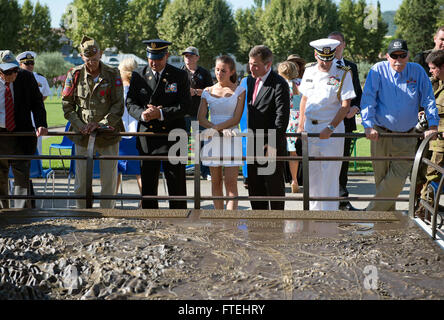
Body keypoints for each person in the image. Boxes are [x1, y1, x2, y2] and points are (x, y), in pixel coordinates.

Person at [361, 39, 439, 211]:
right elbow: (368, 99)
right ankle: (385, 223)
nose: (398, 60)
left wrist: (433, 125)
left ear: (408, 55)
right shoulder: (377, 70)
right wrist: (368, 125)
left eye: (402, 55)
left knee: (396, 179)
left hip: (407, 135)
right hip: (380, 134)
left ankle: (370, 214)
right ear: (387, 56)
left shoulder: (417, 71)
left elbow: (428, 98)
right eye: (394, 56)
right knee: (382, 180)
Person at [126, 39, 191, 209]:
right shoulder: (138, 75)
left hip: (174, 136)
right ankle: (150, 224)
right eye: (151, 58)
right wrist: (142, 114)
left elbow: (185, 106)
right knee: (148, 187)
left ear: (167, 56)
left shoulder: (179, 75)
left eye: (159, 58)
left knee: (177, 186)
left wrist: (161, 113)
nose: (154, 63)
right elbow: (130, 102)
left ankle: (178, 222)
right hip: (148, 136)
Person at [62, 35, 124, 209]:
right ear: (82, 57)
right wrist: (81, 125)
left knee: (109, 182)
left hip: (108, 134)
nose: (92, 63)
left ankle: (108, 216)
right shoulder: (74, 75)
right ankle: (82, 214)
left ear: (101, 54)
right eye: (88, 60)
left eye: (95, 59)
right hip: (82, 135)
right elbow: (67, 106)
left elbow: (118, 105)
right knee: (81, 181)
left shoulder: (112, 74)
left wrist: (102, 124)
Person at [297, 38, 356, 211]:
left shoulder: (343, 73)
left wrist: (330, 128)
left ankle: (329, 214)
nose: (326, 62)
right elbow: (304, 99)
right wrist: (301, 126)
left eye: (329, 58)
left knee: (330, 174)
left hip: (332, 129)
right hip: (310, 128)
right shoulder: (309, 71)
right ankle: (313, 213)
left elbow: (346, 105)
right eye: (323, 58)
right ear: (316, 55)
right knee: (312, 174)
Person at [0, 50, 48, 209]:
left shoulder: (26, 77)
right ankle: (3, 215)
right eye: (8, 72)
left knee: (22, 180)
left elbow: (37, 103)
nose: (13, 74)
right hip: (0, 135)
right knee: (0, 179)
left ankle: (22, 217)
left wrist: (41, 124)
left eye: (15, 69)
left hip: (21, 135)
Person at [197, 55, 246, 210]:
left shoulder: (240, 90)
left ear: (231, 72)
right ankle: (218, 217)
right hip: (213, 138)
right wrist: (214, 129)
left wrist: (216, 128)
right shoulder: (207, 91)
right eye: (217, 70)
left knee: (230, 182)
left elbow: (236, 118)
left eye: (223, 70)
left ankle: (230, 221)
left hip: (231, 137)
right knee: (215, 181)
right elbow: (200, 117)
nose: (219, 73)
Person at [246, 45, 290, 210]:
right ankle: (258, 225)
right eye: (250, 63)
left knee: (273, 187)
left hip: (271, 144)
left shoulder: (279, 83)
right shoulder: (249, 81)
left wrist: (271, 144)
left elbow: (281, 118)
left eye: (256, 64)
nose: (252, 67)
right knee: (255, 187)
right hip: (253, 142)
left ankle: (277, 226)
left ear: (268, 64)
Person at [328, 31, 363, 211]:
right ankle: (325, 201)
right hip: (328, 123)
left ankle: (342, 201)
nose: (334, 47)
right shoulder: (322, 67)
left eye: (337, 43)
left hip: (347, 124)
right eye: (330, 44)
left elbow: (357, 93)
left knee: (343, 164)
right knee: (327, 164)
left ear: (344, 45)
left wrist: (355, 108)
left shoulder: (351, 67)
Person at [417, 50, 444, 216]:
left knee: (433, 175)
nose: (430, 71)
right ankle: (425, 210)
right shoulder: (437, 83)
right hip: (432, 140)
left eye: (433, 68)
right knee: (425, 173)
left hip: (441, 141)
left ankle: (424, 211)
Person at [181, 46, 213, 180]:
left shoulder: (204, 73)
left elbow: (210, 90)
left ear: (197, 57)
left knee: (202, 142)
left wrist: (194, 92)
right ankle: (180, 171)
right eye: (186, 56)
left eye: (191, 56)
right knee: (182, 142)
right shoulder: (180, 72)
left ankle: (205, 171)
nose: (188, 58)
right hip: (183, 113)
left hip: (200, 112)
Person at [16, 51, 51, 155]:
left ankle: (38, 167)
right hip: (20, 114)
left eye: (32, 63)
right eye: (27, 63)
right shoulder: (14, 76)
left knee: (37, 142)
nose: (30, 66)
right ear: (20, 64)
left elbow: (44, 95)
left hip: (36, 114)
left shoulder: (41, 78)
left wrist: (34, 104)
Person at [116, 57, 142, 196]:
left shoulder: (117, 90)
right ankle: (145, 202)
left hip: (120, 134)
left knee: (114, 170)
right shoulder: (142, 90)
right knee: (139, 171)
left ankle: (110, 201)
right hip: (137, 132)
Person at [277, 60, 301, 193]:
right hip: (299, 118)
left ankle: (287, 179)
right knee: (296, 152)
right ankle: (294, 179)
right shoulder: (301, 83)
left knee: (281, 150)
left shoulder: (281, 85)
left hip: (286, 118)